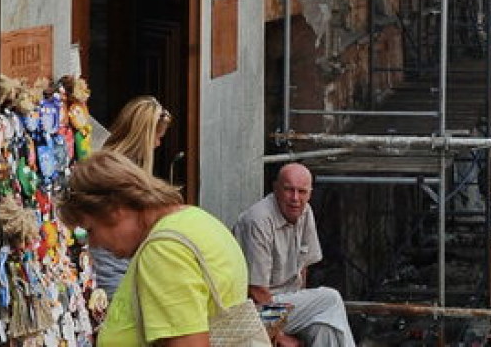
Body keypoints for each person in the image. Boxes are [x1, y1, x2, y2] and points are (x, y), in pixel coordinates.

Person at [58, 149, 251, 347]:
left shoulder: (163, 250)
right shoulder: (197, 221)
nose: (94, 244)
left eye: (90, 230)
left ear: (115, 209)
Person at [232, 163, 355, 347]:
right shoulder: (258, 221)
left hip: (287, 307)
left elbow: (303, 270)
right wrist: (278, 334)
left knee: (325, 328)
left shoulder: (305, 213)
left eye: (302, 191)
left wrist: (305, 311)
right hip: (255, 312)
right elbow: (256, 291)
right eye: (289, 190)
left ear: (310, 193)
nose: (295, 198)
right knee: (331, 299)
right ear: (275, 189)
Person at [92, 97, 175, 297]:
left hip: (112, 267)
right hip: (115, 272)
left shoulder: (105, 161)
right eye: (158, 137)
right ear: (144, 136)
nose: (158, 143)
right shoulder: (123, 175)